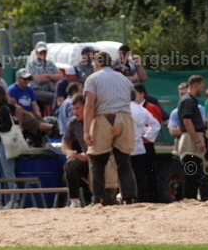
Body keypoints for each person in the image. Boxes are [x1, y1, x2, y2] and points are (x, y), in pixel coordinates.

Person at [83, 51, 137, 205]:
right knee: (123, 160)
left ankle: (98, 198)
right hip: (125, 118)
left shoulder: (92, 79)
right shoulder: (124, 79)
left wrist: (86, 131)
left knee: (97, 159)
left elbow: (89, 106)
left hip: (104, 117)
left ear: (98, 63)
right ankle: (129, 197)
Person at [175, 75, 208, 201]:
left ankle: (190, 199)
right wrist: (198, 141)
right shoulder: (188, 100)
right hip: (190, 140)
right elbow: (187, 121)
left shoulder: (189, 100)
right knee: (191, 173)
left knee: (194, 173)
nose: (202, 89)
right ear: (195, 85)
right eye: (202, 86)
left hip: (191, 138)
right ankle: (189, 200)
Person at [129, 85, 161, 203]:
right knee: (141, 175)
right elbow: (156, 124)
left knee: (126, 175)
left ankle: (129, 197)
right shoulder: (141, 109)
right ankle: (143, 198)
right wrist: (146, 136)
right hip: (139, 147)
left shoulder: (122, 109)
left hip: (124, 148)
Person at [61, 93, 91, 207]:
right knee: (70, 165)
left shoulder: (96, 120)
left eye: (78, 108)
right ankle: (74, 200)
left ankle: (98, 198)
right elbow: (65, 142)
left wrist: (87, 155)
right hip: (84, 158)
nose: (75, 111)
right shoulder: (73, 122)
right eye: (73, 109)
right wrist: (69, 152)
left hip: (100, 156)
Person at [26, 41, 62, 113]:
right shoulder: (31, 64)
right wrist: (52, 77)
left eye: (44, 52)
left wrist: (47, 75)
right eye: (40, 52)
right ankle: (55, 115)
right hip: (36, 90)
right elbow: (38, 80)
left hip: (50, 89)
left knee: (61, 94)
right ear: (36, 52)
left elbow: (60, 76)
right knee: (53, 97)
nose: (42, 54)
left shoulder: (50, 63)